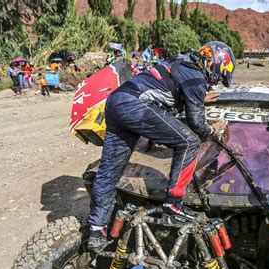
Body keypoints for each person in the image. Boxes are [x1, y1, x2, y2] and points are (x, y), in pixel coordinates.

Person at [88, 41, 236, 249]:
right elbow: (196, 122)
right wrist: (213, 133)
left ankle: (96, 230)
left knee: (109, 171)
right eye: (219, 77)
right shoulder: (196, 77)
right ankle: (173, 205)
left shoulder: (178, 61)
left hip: (115, 102)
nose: (215, 83)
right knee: (189, 141)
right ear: (217, 65)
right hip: (135, 104)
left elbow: (166, 106)